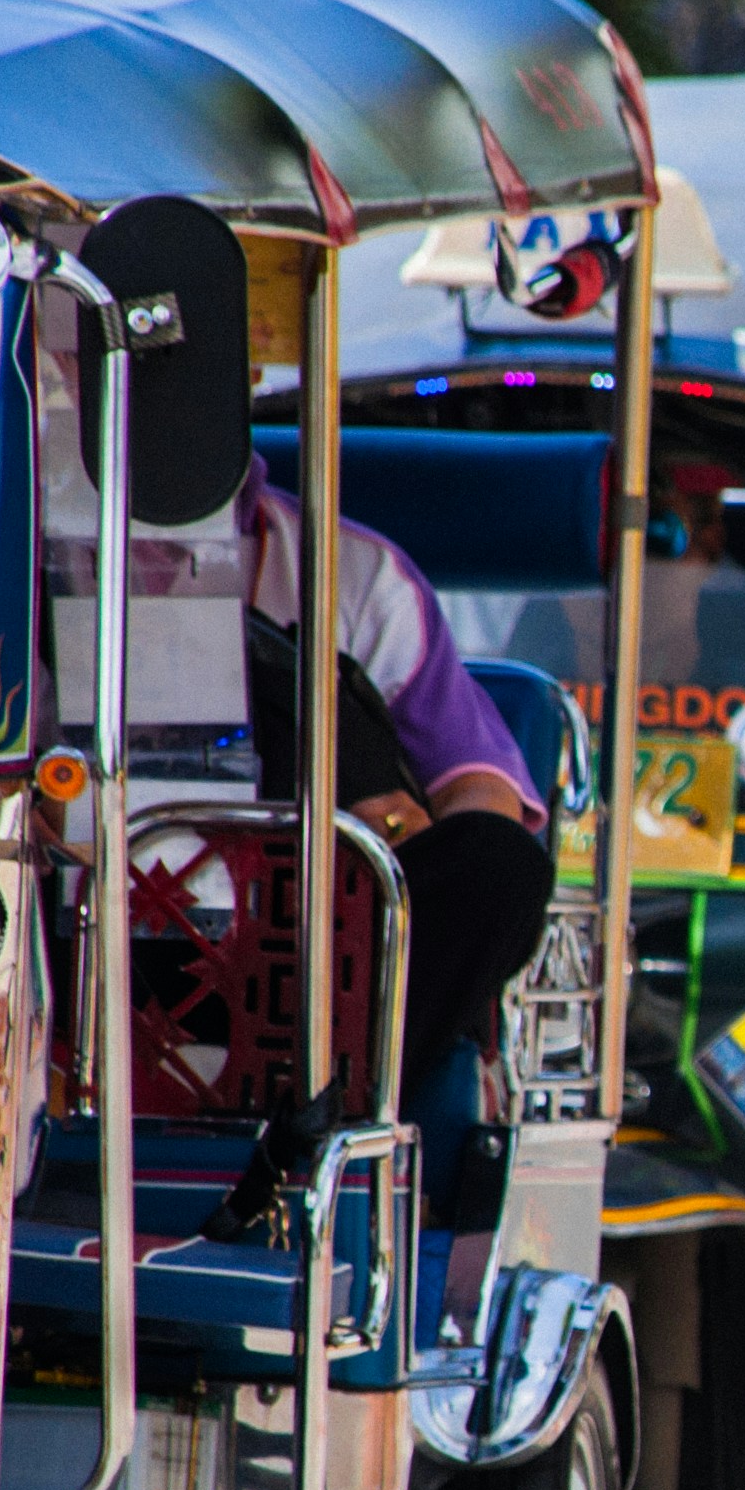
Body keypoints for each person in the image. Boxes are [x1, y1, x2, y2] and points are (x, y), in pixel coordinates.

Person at [215, 452, 557, 1094]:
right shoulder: (15, 553)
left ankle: (343, 1105)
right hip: (105, 909)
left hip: (319, 935)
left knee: (499, 865)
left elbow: (479, 788)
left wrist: (388, 820)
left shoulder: (358, 577)